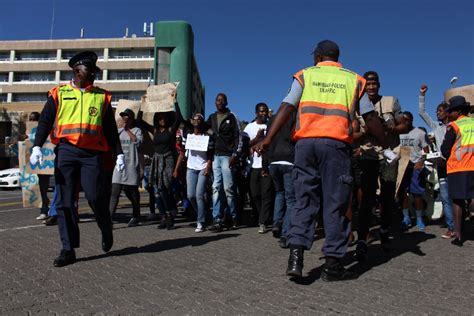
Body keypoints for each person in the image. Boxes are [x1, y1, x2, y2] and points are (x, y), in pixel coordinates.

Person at [254, 40, 388, 281]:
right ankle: (333, 265)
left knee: (305, 199)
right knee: (335, 203)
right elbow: (370, 116)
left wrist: (268, 139)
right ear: (337, 58)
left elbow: (286, 107)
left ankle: (296, 257)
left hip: (305, 146)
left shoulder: (305, 75)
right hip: (336, 147)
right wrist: (385, 141)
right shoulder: (355, 80)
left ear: (317, 56)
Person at [30, 51, 123, 267]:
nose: (93, 74)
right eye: (89, 70)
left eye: (94, 71)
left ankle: (105, 225)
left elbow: (110, 129)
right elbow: (45, 121)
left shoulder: (102, 97)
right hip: (66, 151)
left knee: (94, 196)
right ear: (76, 71)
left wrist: (118, 152)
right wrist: (36, 146)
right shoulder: (58, 93)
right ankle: (68, 248)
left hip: (92, 154)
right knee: (65, 200)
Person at [354, 71, 407, 260]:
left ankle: (384, 233)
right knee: (366, 198)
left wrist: (392, 128)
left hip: (389, 155)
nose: (370, 87)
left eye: (373, 83)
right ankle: (362, 238)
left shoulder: (391, 101)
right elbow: (352, 131)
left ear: (379, 85)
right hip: (367, 154)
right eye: (367, 84)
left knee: (387, 197)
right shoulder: (356, 104)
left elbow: (404, 125)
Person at [418, 85, 455, 238]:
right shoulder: (436, 127)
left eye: (440, 111)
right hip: (442, 166)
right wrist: (422, 95)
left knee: (459, 197)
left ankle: (461, 223)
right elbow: (421, 113)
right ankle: (451, 227)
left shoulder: (455, 126)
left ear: (448, 112)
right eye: (437, 112)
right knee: (445, 197)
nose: (437, 114)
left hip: (458, 165)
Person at [139, 107, 183, 230]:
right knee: (157, 190)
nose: (162, 120)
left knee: (164, 188)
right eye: (159, 118)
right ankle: (163, 216)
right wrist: (143, 105)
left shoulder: (170, 130)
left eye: (164, 117)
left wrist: (175, 102)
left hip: (168, 159)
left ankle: (170, 214)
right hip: (156, 160)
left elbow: (179, 118)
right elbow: (139, 121)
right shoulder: (155, 130)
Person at [441, 96, 474, 247]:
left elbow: (445, 149)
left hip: (458, 167)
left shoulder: (453, 126)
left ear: (459, 111)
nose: (448, 114)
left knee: (457, 201)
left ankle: (458, 234)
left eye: (451, 111)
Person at [206, 93, 241, 232]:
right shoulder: (212, 118)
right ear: (215, 102)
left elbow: (238, 136)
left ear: (226, 102)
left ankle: (233, 216)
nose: (219, 102)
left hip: (228, 156)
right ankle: (217, 218)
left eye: (222, 100)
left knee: (228, 189)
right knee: (216, 187)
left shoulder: (232, 117)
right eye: (217, 100)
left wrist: (235, 154)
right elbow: (203, 129)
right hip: (215, 156)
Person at [262, 109, 296, 248]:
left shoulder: (273, 119)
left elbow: (267, 140)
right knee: (291, 199)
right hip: (288, 160)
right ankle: (286, 233)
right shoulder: (295, 116)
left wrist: (265, 164)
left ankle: (277, 222)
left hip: (274, 161)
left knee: (279, 193)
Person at [178, 113, 214, 232]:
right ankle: (202, 212)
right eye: (195, 118)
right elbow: (183, 150)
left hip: (203, 168)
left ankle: (200, 221)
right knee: (190, 195)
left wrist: (208, 166)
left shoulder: (207, 137)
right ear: (192, 121)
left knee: (199, 194)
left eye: (200, 119)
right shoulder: (188, 136)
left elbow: (210, 154)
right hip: (191, 168)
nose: (197, 120)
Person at [109, 109, 143, 227]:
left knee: (132, 193)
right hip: (119, 166)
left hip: (131, 166)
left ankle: (136, 215)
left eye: (127, 116)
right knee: (115, 192)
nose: (125, 118)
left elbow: (137, 142)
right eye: (123, 116)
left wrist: (127, 129)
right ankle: (109, 218)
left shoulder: (137, 130)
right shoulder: (118, 131)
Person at [243, 102, 273, 234]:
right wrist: (257, 138)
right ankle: (263, 216)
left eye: (265, 111)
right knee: (255, 194)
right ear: (256, 113)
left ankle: (263, 222)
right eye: (261, 111)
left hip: (267, 165)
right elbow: (244, 145)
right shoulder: (249, 127)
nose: (264, 113)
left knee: (266, 194)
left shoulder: (271, 126)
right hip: (253, 165)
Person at [398, 111, 430, 231]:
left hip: (415, 167)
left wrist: (421, 161)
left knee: (416, 194)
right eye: (402, 120)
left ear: (411, 120)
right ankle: (406, 217)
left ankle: (419, 218)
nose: (404, 122)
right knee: (403, 194)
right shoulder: (398, 133)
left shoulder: (419, 133)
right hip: (402, 167)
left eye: (406, 120)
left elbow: (426, 150)